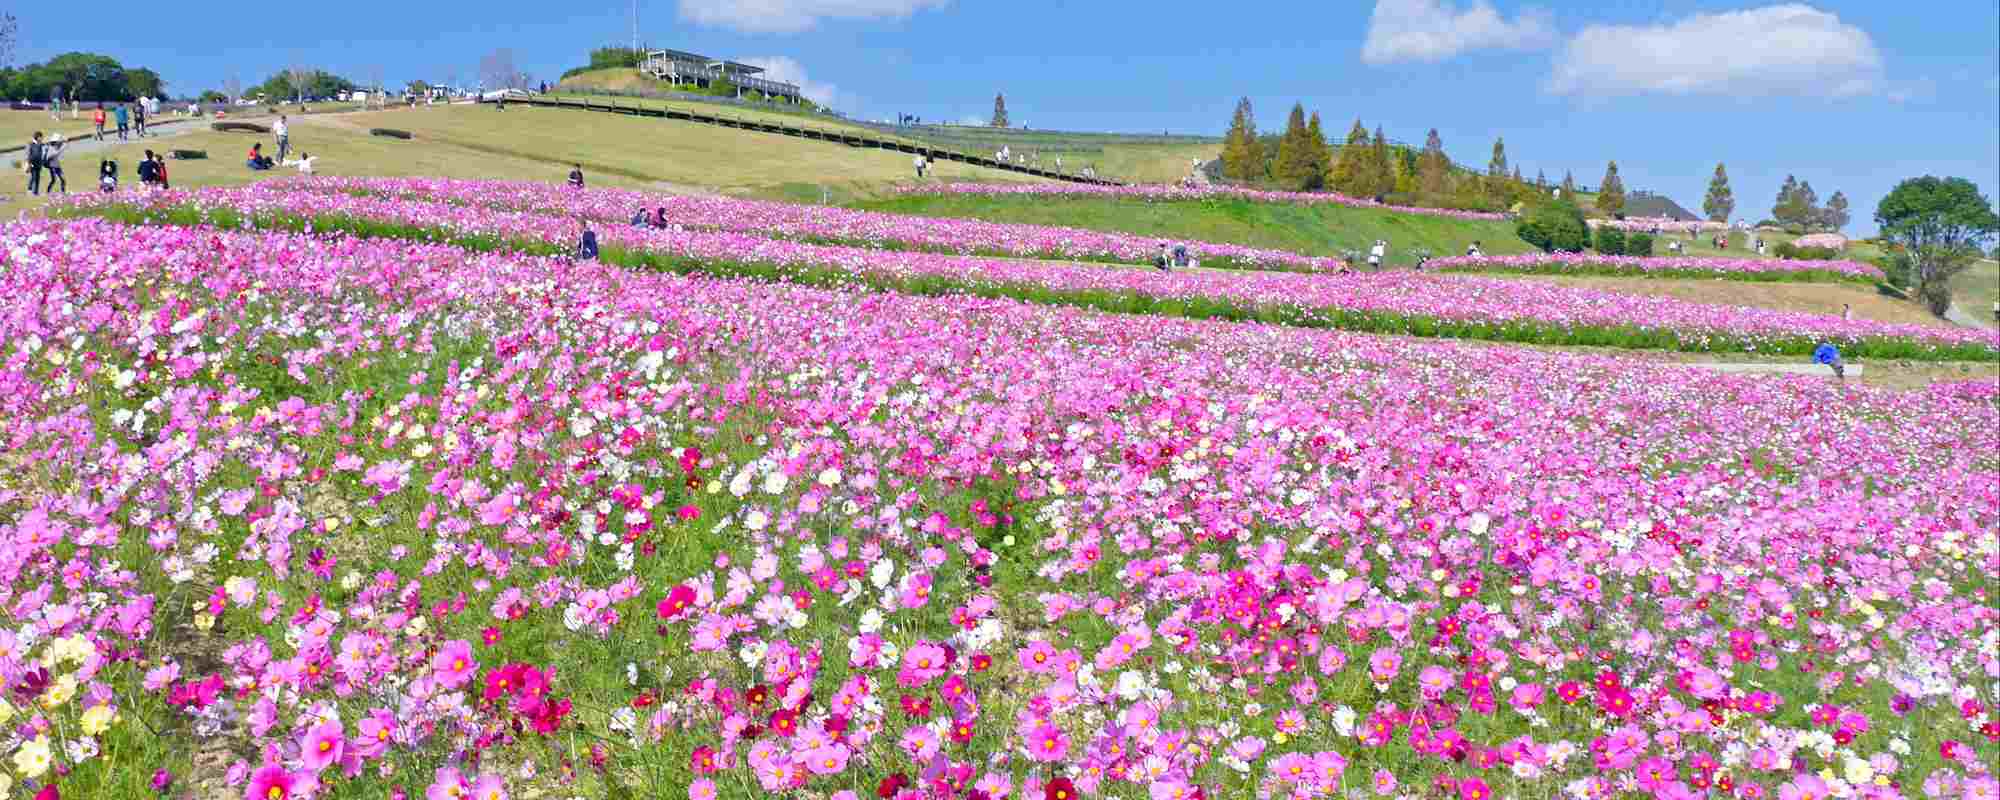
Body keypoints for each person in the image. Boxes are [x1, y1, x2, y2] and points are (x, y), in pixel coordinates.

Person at [25, 132, 44, 196]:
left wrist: (41, 163)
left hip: (38, 164)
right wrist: (29, 164)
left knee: (36, 178)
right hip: (32, 163)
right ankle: (32, 191)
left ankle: (33, 191)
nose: (42, 138)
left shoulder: (40, 144)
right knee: (34, 177)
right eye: (41, 137)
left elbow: (40, 154)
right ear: (37, 137)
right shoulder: (30, 144)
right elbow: (28, 154)